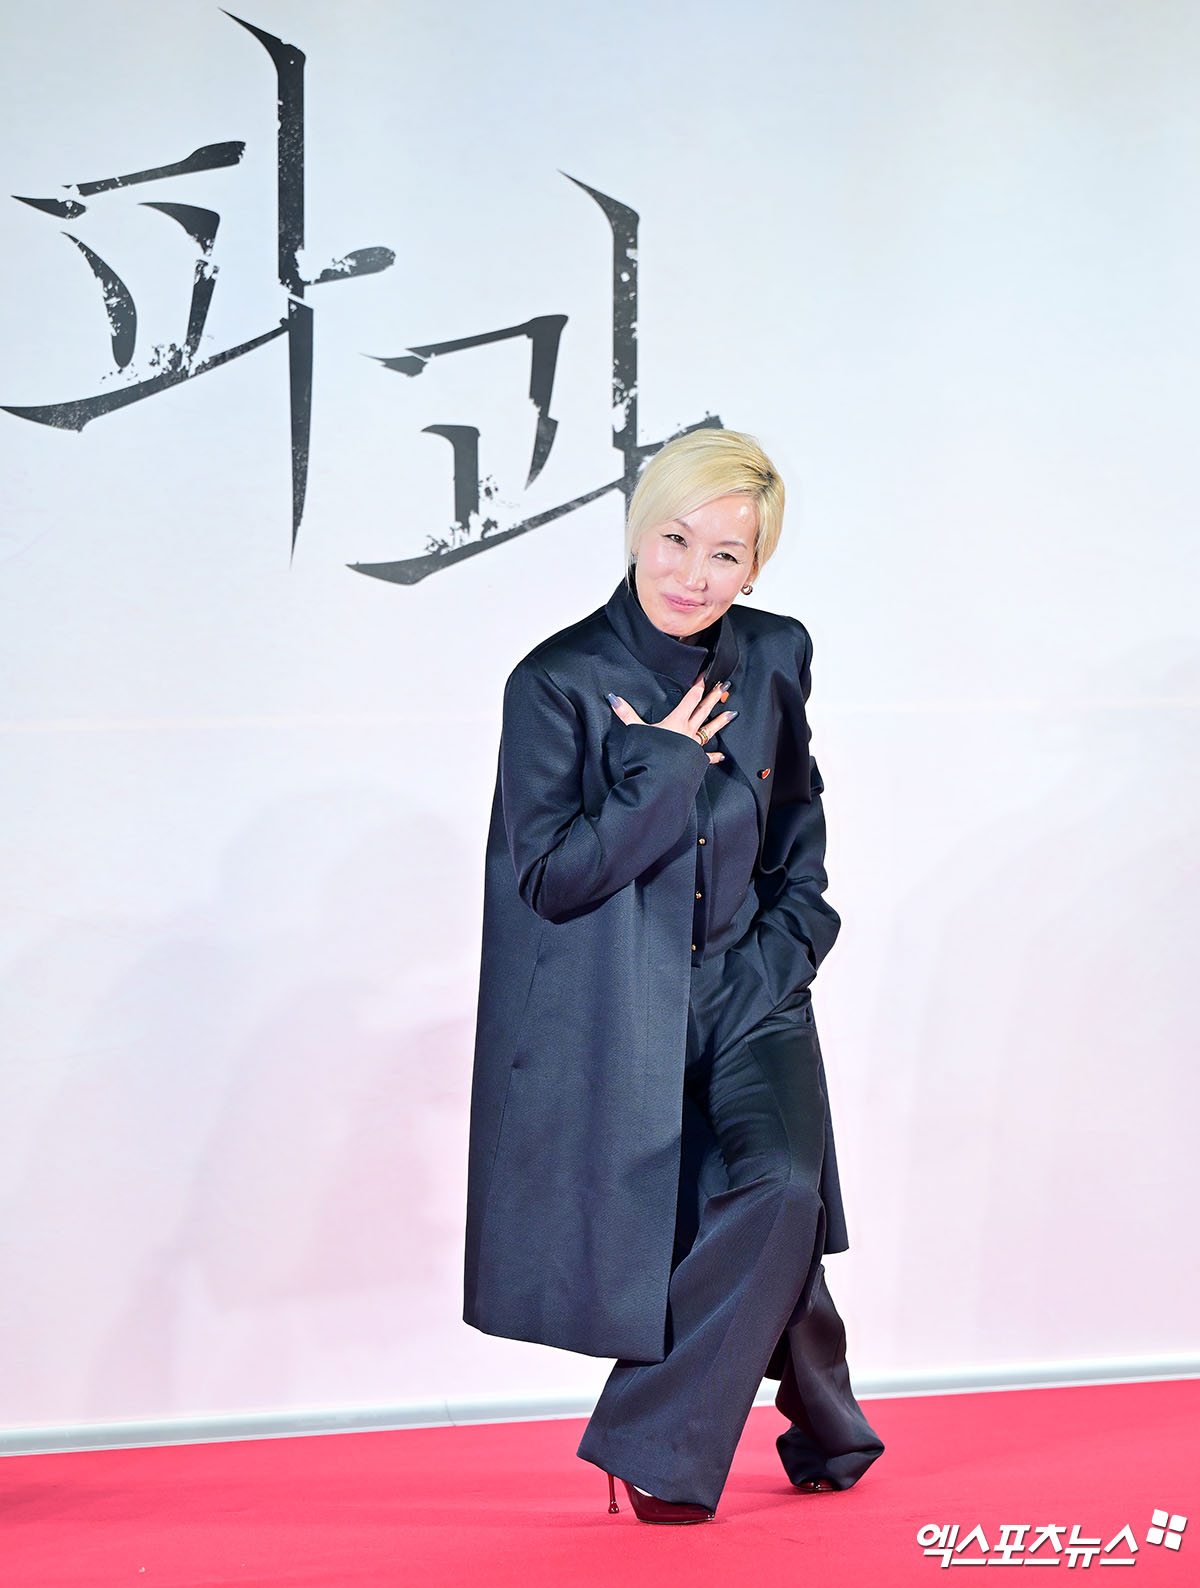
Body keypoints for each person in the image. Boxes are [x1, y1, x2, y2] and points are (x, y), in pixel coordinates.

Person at [463, 428, 884, 1523]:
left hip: (752, 991)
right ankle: (829, 1421)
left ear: (757, 567)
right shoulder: (556, 681)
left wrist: (791, 946)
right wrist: (661, 767)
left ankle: (649, 1438)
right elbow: (550, 880)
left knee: (779, 1188)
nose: (694, 575)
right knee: (748, 1227)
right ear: (638, 531)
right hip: (623, 1014)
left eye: (727, 556)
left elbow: (797, 819)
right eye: (676, 540)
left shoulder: (776, 654)